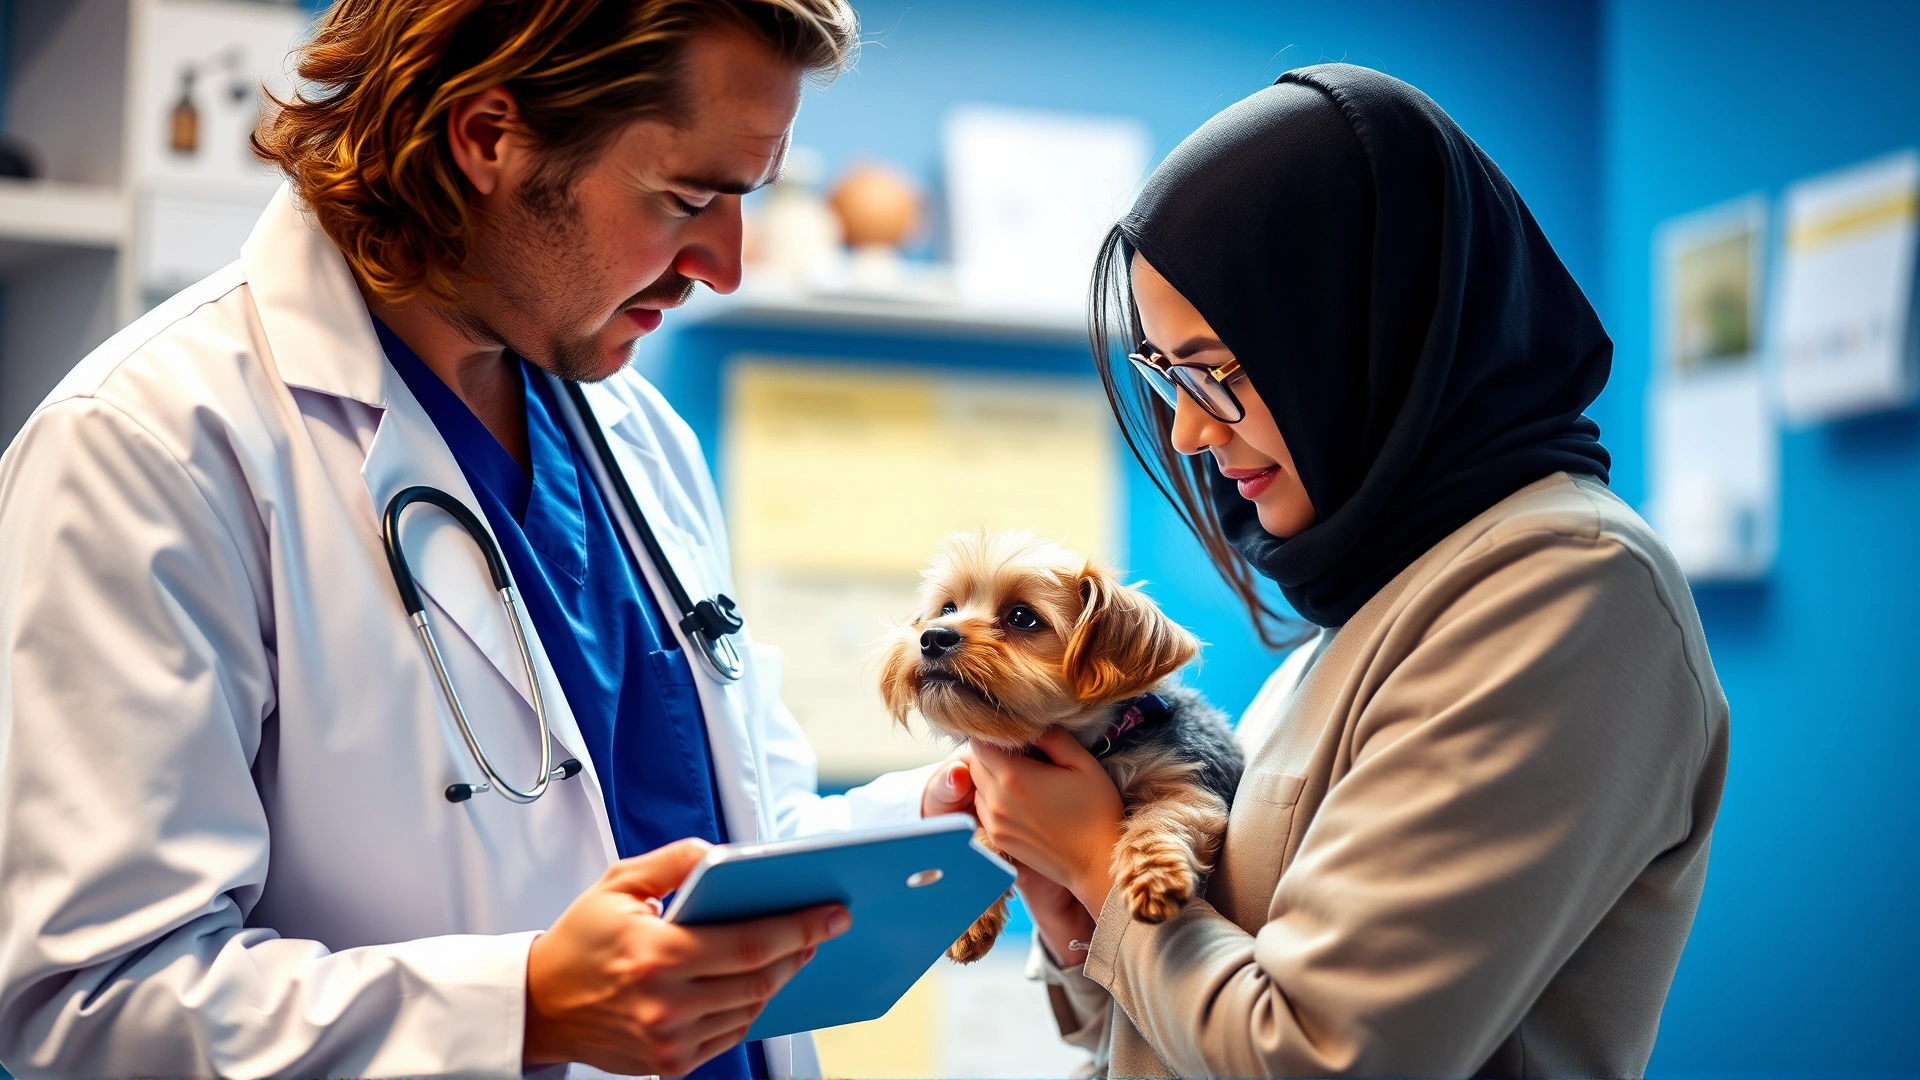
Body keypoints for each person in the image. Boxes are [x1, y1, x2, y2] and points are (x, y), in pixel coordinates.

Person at [0, 2, 971, 1077]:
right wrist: (521, 1007)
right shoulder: (154, 449)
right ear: (487, 137)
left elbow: (723, 838)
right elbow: (88, 1004)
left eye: (747, 201)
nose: (725, 265)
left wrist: (936, 815)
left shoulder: (640, 441)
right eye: (688, 198)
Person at [959, 64, 1730, 1078]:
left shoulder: (1566, 588)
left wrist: (1102, 865)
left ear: (1355, 327)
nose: (1190, 430)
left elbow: (1326, 1058)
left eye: (1218, 371)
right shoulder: (1365, 611)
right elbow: (1174, 1019)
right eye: (1168, 375)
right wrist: (1064, 887)